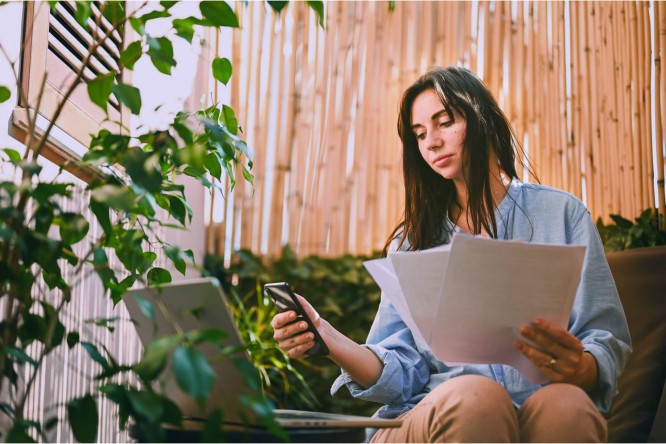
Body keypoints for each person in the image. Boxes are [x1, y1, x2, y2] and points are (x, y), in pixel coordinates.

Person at [271, 66, 632, 442]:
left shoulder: (562, 215)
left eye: (444, 123)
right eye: (420, 134)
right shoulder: (412, 243)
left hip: (536, 407)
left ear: (484, 122)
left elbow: (603, 336)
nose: (431, 142)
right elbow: (399, 372)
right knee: (478, 399)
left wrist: (579, 369)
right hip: (428, 415)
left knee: (568, 407)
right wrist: (328, 338)